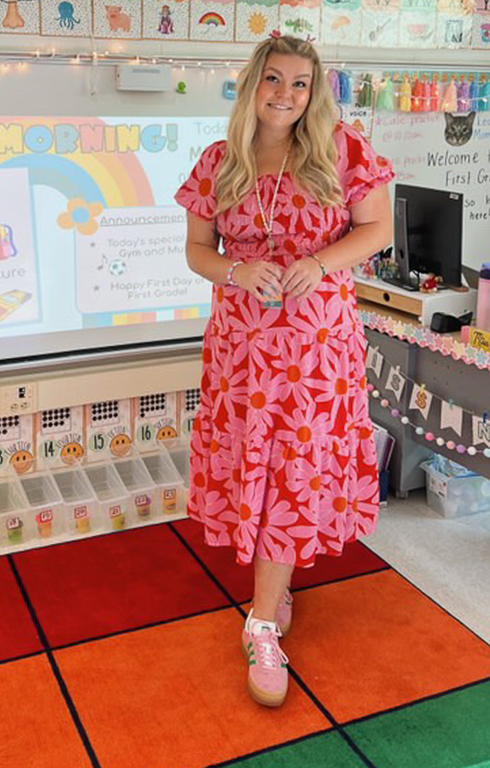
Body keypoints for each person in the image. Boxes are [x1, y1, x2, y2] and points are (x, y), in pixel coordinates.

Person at [174, 34, 394, 708]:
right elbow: (196, 251)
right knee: (258, 468)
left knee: (290, 474)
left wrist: (319, 263)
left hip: (314, 353)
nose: (286, 95)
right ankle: (275, 591)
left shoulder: (342, 149)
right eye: (274, 79)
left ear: (315, 91)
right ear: (252, 83)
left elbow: (376, 229)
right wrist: (238, 269)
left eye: (301, 84)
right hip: (242, 354)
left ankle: (261, 621)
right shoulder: (220, 160)